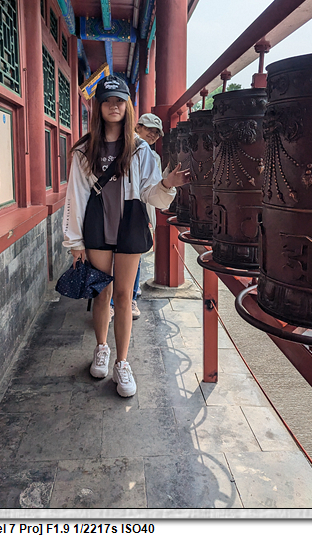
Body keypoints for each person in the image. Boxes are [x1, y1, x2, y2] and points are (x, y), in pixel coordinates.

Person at [62, 75, 190, 397]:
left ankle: (122, 362)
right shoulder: (84, 149)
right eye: (107, 101)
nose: (113, 106)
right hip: (97, 223)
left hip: (130, 223)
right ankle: (101, 348)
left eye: (119, 100)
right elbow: (76, 195)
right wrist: (74, 241)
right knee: (101, 293)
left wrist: (167, 184)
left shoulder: (141, 149)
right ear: (98, 107)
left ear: (127, 106)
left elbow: (149, 193)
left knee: (123, 295)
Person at [109, 112, 166, 322]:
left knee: (135, 255)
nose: (153, 134)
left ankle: (130, 298)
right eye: (149, 129)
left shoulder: (153, 157)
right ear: (138, 127)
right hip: (115, 208)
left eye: (157, 132)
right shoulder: (121, 148)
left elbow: (152, 190)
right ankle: (110, 301)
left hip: (139, 211)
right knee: (112, 256)